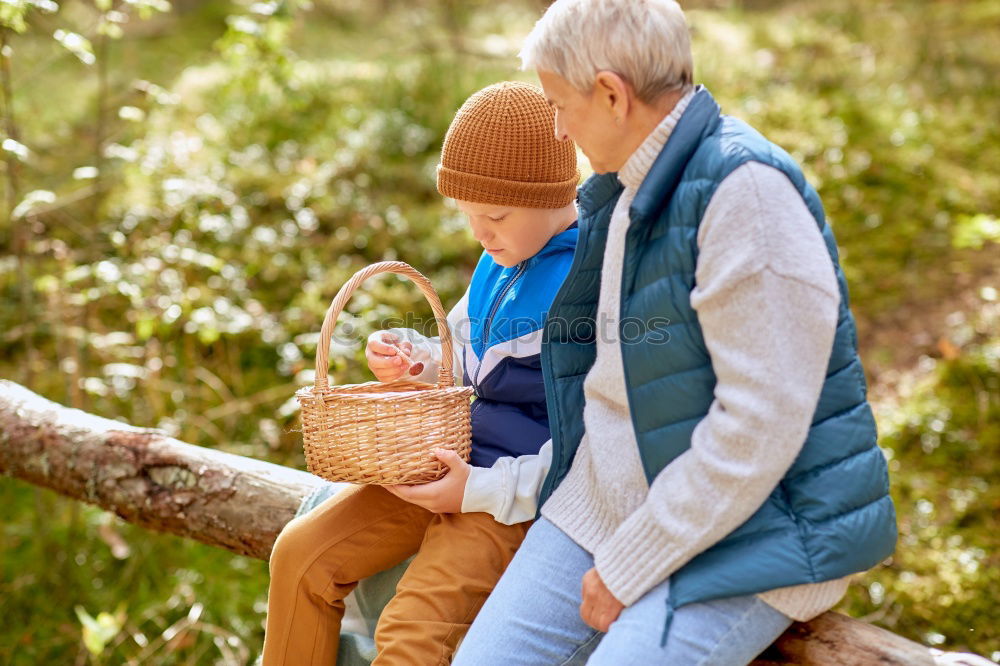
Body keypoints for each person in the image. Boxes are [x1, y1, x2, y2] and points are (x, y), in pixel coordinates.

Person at [452, 1, 898, 664]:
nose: (556, 126)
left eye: (558, 103)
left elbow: (759, 427)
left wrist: (632, 563)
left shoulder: (747, 195)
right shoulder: (623, 191)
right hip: (609, 501)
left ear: (611, 94)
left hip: (758, 528)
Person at [260, 81, 580, 665]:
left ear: (551, 195)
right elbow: (463, 356)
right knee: (303, 555)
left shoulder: (586, 290)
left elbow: (588, 450)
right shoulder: (503, 259)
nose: (480, 233)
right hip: (441, 465)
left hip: (503, 496)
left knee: (413, 633)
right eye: (467, 216)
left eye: (495, 215)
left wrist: (477, 489)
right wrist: (416, 358)